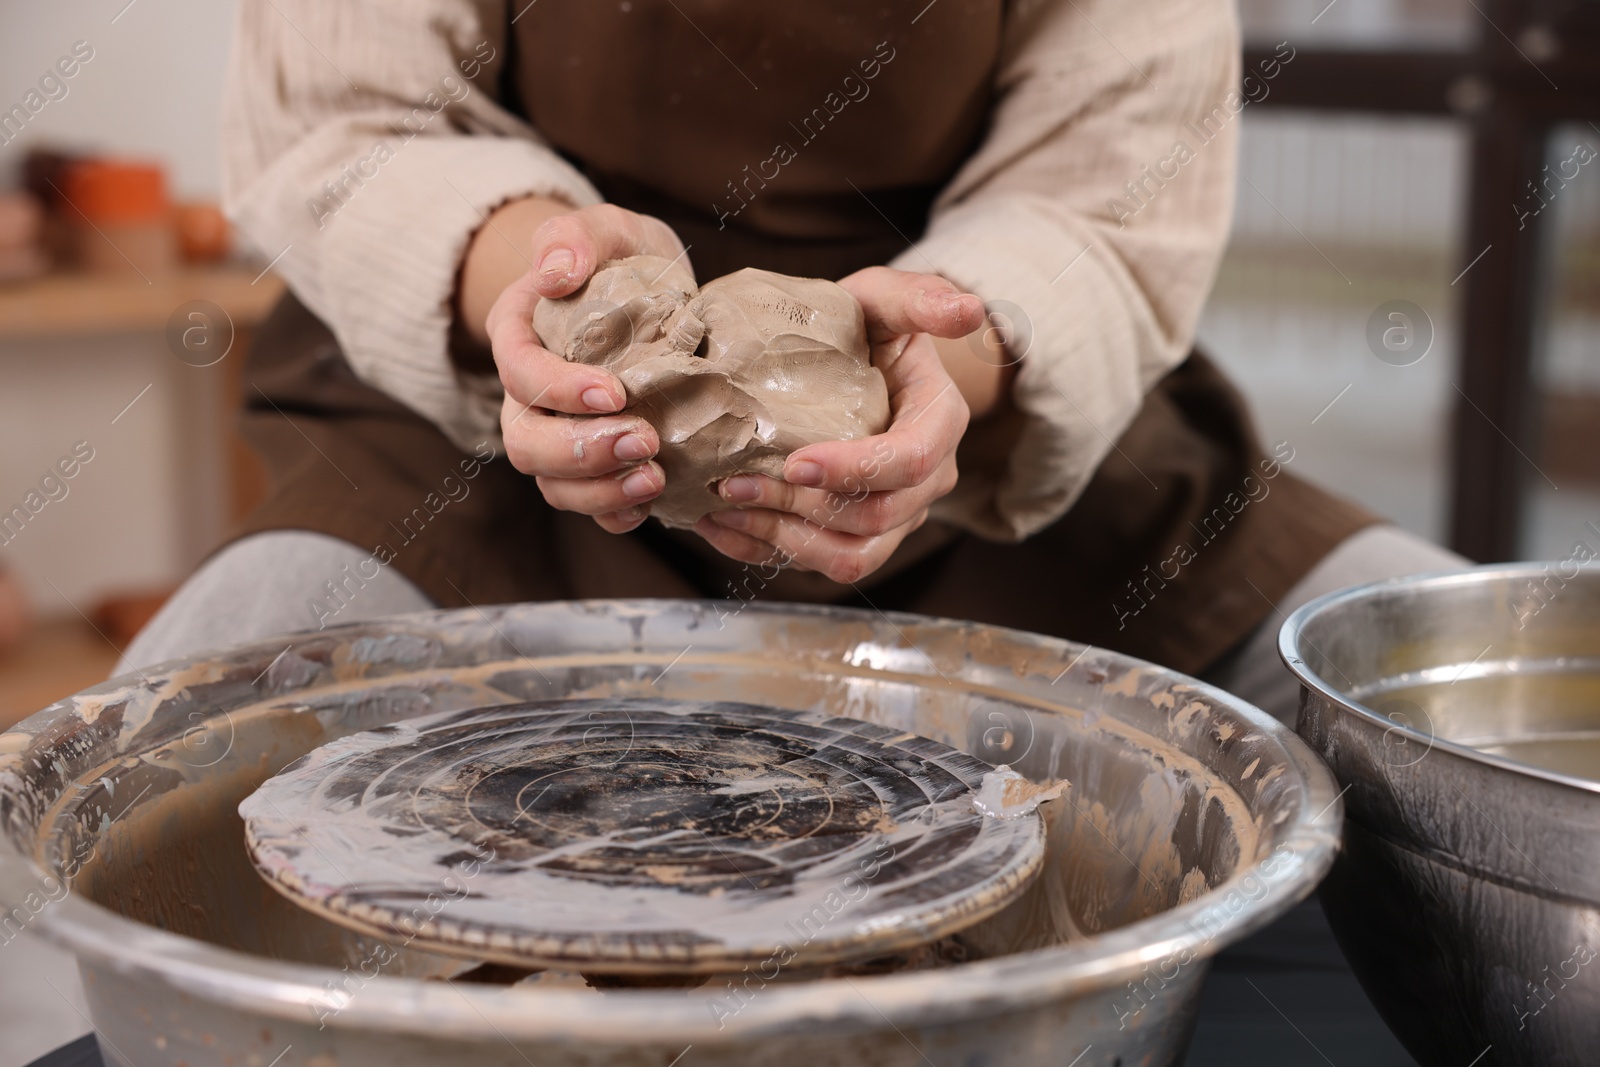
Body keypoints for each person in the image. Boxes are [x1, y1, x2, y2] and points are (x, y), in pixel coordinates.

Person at [122, 0, 1462, 722]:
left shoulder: (965, 366)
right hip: (488, 401)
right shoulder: (516, 319)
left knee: (1424, 680)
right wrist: (542, 283)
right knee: (191, 732)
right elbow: (353, 116)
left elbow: (1110, 188)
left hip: (985, 400)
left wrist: (944, 360)